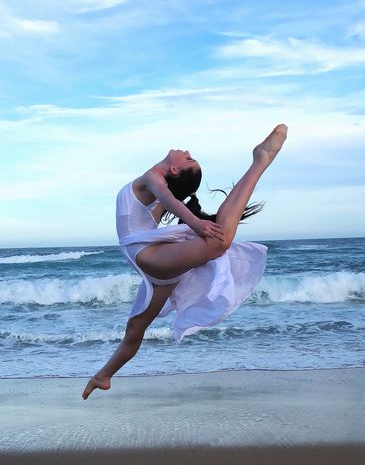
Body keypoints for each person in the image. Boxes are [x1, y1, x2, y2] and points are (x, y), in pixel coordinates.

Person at [82, 124, 287, 399]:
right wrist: (192, 222)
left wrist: (196, 224)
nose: (187, 151)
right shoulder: (153, 194)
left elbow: (169, 197)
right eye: (191, 156)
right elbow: (166, 204)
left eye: (189, 158)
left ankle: (261, 160)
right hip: (157, 269)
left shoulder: (152, 177)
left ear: (174, 171)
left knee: (220, 241)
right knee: (135, 330)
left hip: (151, 258)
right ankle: (104, 376)